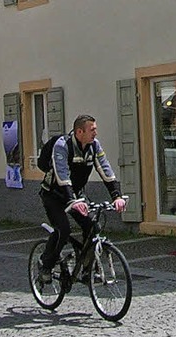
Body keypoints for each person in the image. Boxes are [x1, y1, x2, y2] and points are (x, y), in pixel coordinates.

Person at [38, 114, 126, 282]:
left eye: (95, 129)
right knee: (63, 229)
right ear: (79, 131)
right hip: (54, 195)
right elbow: (62, 175)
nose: (95, 133)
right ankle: (46, 265)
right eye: (92, 130)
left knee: (93, 226)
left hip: (77, 194)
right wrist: (72, 201)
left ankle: (88, 270)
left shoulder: (94, 146)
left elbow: (105, 169)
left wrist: (117, 196)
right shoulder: (62, 145)